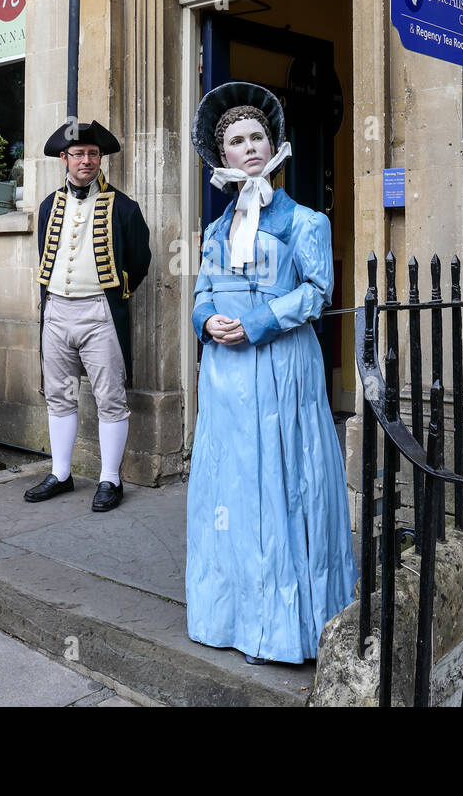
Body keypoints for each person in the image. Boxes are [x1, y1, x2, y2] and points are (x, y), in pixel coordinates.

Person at [185, 81, 358, 664]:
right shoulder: (214, 232)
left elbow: (317, 292)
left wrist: (257, 321)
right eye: (237, 139)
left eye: (258, 136)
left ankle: (286, 629)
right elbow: (202, 294)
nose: (250, 146)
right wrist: (208, 322)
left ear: (274, 144)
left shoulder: (305, 222)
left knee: (286, 484)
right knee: (232, 488)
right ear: (222, 154)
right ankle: (234, 618)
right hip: (226, 378)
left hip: (283, 367)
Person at [29, 120, 152, 512]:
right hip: (57, 311)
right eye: (79, 154)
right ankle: (61, 473)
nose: (86, 160)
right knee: (59, 396)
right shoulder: (49, 205)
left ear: (100, 159)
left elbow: (139, 260)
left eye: (93, 154)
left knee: (110, 398)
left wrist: (115, 293)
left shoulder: (125, 207)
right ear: (64, 159)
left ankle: (110, 479)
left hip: (100, 312)